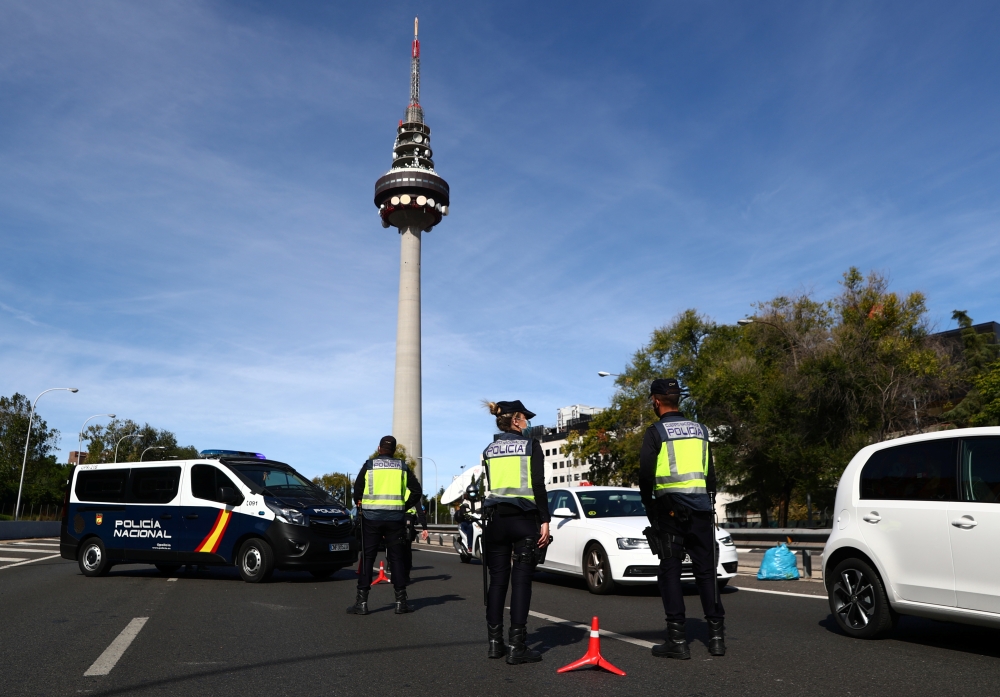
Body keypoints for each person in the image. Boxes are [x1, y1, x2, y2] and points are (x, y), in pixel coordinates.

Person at [639, 378, 725, 659]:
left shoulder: (655, 432)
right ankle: (716, 638)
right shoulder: (700, 430)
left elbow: (646, 476)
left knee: (670, 571)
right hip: (701, 509)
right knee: (706, 573)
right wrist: (708, 501)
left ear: (656, 401)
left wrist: (651, 510)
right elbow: (710, 475)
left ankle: (677, 640)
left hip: (670, 511)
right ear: (678, 400)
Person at [481, 400, 550, 664]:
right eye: (525, 418)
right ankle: (517, 646)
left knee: (498, 582)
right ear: (516, 420)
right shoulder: (531, 446)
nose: (528, 422)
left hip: (496, 522)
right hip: (524, 521)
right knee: (521, 582)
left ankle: (495, 644)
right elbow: (538, 484)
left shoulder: (489, 449)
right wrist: (545, 520)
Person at [348, 435, 426, 615]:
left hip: (371, 518)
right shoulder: (402, 467)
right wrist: (403, 507)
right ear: (394, 450)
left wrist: (361, 503)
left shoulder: (369, 465)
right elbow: (416, 491)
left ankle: (362, 602)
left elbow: (357, 490)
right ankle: (401, 602)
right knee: (397, 558)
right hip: (395, 519)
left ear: (379, 448)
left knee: (368, 557)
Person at [401, 499, 429, 584]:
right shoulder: (413, 491)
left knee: (395, 546)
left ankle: (397, 571)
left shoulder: (398, 489)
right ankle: (406, 574)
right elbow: (420, 511)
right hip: (410, 519)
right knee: (407, 549)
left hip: (397, 518)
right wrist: (424, 527)